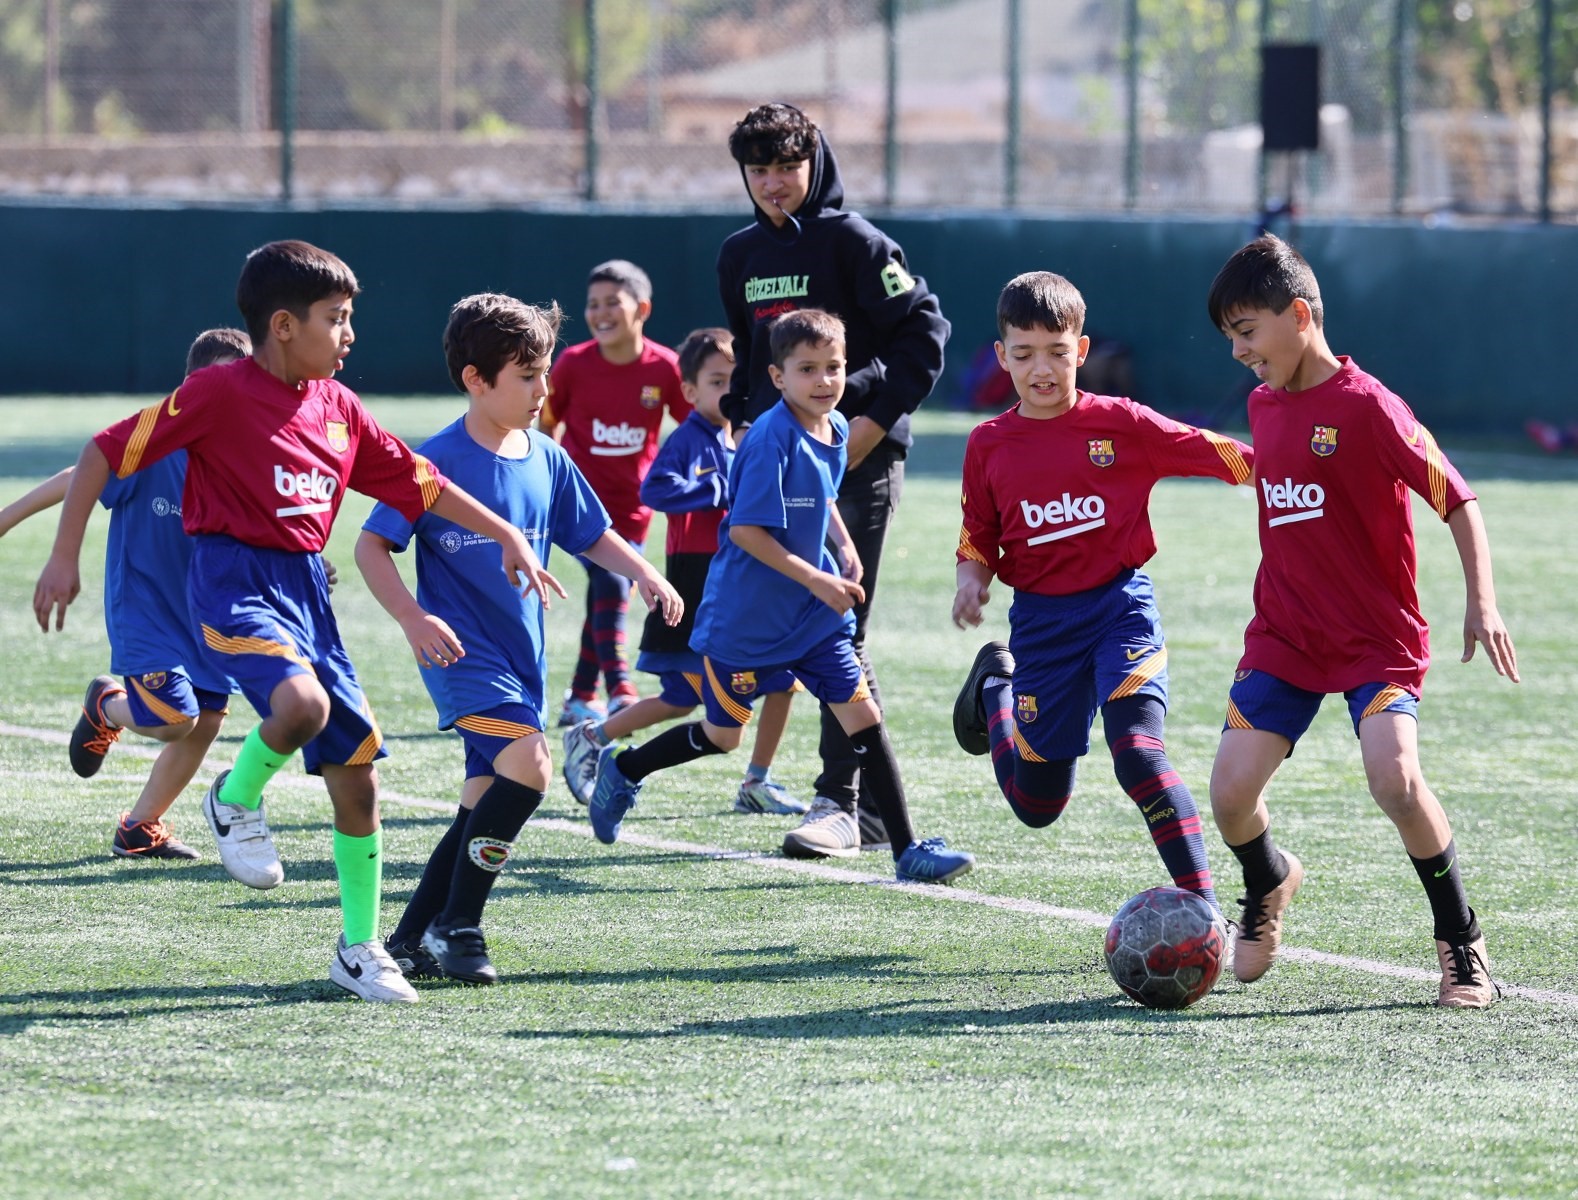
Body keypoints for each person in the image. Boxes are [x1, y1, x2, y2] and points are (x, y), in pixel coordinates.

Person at [32, 239, 559, 1005]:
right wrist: (63, 555)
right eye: (336, 319)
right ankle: (233, 798)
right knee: (302, 709)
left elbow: (423, 485)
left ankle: (359, 948)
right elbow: (105, 451)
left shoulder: (338, 409)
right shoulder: (218, 393)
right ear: (283, 325)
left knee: (359, 781)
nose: (350, 334)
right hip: (232, 583)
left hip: (310, 593)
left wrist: (507, 533)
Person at [1203, 234, 1520, 1007]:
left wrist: (1482, 601)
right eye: (1230, 339)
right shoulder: (1262, 404)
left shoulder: (1371, 407)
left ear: (1300, 315)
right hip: (1283, 639)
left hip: (1376, 644)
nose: (1240, 352)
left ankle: (1461, 942)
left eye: (1248, 333)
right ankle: (1270, 880)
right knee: (1229, 795)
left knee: (1396, 779)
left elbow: (1458, 500)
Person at [357, 293, 681, 985]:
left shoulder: (547, 457)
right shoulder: (434, 463)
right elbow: (371, 547)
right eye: (526, 376)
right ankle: (459, 927)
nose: (543, 391)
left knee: (482, 801)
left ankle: (409, 938)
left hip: (521, 663)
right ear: (477, 379)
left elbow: (591, 534)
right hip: (462, 661)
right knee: (531, 768)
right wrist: (413, 617)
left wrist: (645, 572)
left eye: (544, 374)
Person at [585, 309, 974, 885]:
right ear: (776, 376)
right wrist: (818, 577)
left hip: (813, 620)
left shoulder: (838, 428)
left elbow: (823, 495)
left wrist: (841, 545)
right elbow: (745, 531)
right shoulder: (769, 438)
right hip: (746, 621)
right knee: (723, 735)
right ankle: (626, 767)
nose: (824, 380)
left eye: (834, 367)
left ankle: (907, 849)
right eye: (808, 369)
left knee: (863, 717)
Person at [951, 271, 1253, 923]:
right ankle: (995, 692)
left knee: (1139, 755)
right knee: (1037, 806)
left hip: (1121, 611)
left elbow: (1214, 452)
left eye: (1057, 353)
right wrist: (970, 578)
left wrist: (1288, 468)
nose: (1042, 369)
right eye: (1024, 354)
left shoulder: (1120, 424)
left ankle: (1204, 913)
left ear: (1081, 352)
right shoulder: (988, 445)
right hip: (1040, 628)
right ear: (1001, 356)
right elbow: (979, 533)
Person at [717, 102, 950, 859]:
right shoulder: (739, 256)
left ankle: (844, 804)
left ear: (815, 164)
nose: (775, 184)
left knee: (839, 622)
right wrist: (744, 425)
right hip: (780, 459)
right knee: (788, 610)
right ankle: (849, 803)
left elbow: (926, 334)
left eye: (788, 167)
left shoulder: (856, 241)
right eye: (760, 172)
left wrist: (870, 428)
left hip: (859, 458)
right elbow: (754, 368)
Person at [0, 328, 249, 861]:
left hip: (209, 614)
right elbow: (80, 474)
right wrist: (7, 520)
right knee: (172, 720)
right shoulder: (155, 441)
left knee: (205, 721)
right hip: (147, 610)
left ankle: (140, 827)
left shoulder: (241, 457)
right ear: (193, 384)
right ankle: (108, 706)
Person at [561, 327, 805, 816]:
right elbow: (655, 491)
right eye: (717, 382)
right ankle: (593, 735)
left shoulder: (753, 435)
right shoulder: (688, 440)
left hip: (753, 581)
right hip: (699, 581)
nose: (729, 392)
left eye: (737, 382)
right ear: (690, 392)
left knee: (783, 680)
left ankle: (757, 781)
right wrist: (715, 492)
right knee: (682, 696)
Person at [538, 259, 690, 728]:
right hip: (577, 505)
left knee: (610, 585)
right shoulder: (573, 363)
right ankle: (620, 686)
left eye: (613, 303)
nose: (600, 313)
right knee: (611, 580)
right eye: (593, 304)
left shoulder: (665, 367)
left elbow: (693, 428)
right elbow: (545, 419)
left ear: (641, 308)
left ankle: (581, 695)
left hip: (633, 509)